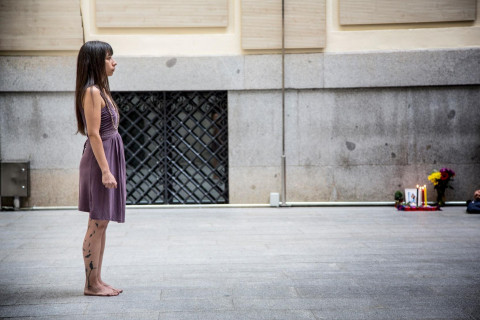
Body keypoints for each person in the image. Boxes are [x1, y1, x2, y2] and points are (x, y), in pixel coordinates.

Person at [75, 41, 126, 296]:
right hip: (99, 161)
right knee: (96, 223)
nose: (114, 62)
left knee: (102, 222)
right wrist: (106, 170)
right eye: (108, 58)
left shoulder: (101, 90)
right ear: (96, 62)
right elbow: (94, 134)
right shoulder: (92, 92)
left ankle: (97, 279)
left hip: (106, 157)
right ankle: (90, 284)